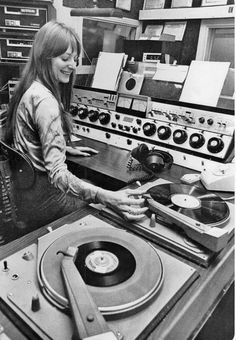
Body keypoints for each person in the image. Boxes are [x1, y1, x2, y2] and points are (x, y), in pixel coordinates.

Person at [5, 20, 147, 230]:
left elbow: (28, 140)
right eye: (65, 58)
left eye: (75, 58)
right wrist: (107, 197)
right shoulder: (46, 102)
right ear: (45, 57)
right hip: (47, 204)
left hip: (27, 199)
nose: (72, 65)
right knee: (107, 199)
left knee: (94, 186)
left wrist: (62, 145)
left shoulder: (30, 89)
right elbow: (58, 174)